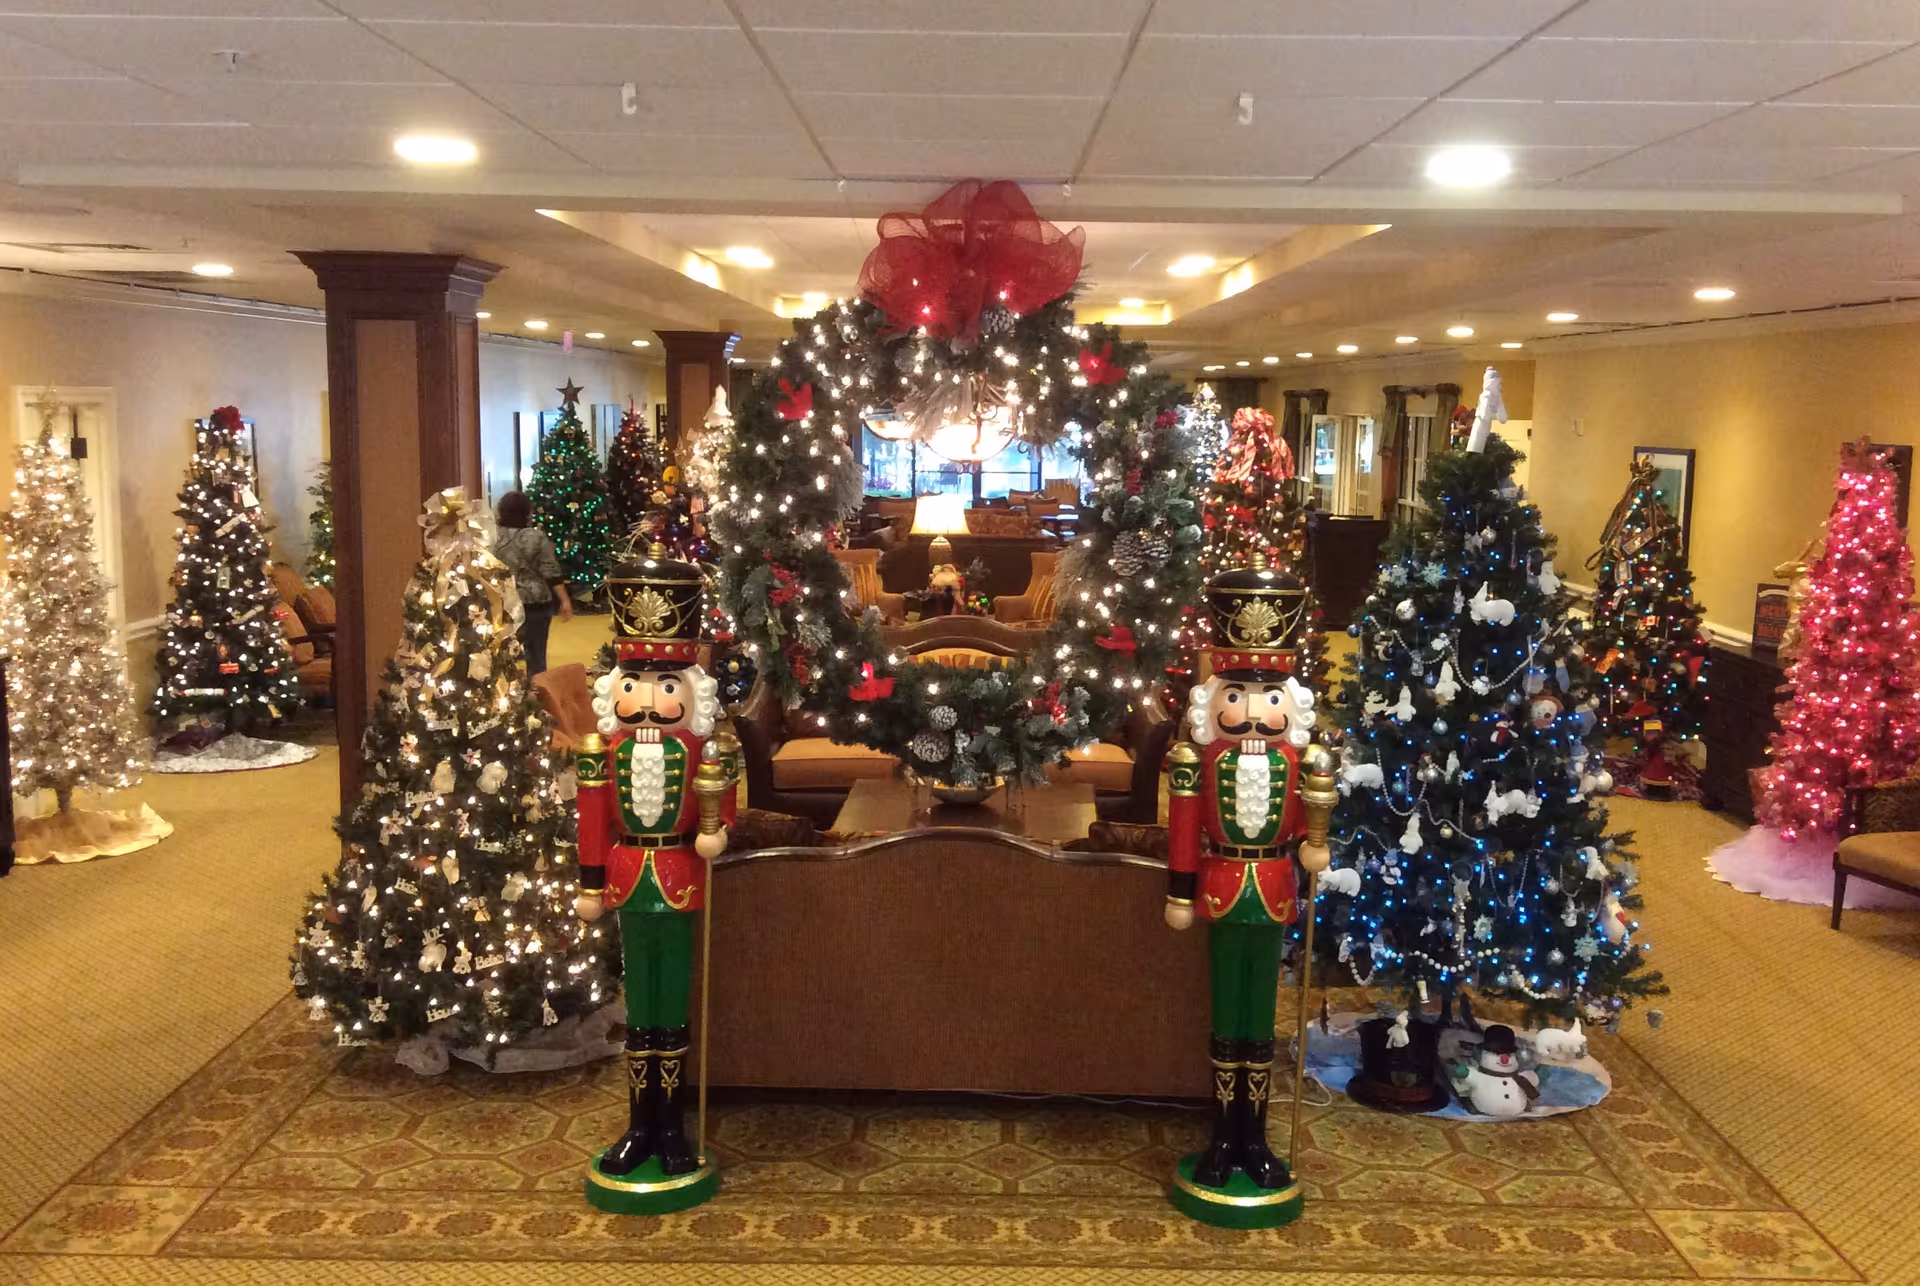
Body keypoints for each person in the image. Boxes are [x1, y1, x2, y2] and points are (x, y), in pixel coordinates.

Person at [493, 490, 571, 674]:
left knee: (502, 654)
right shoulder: (536, 537)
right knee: (536, 656)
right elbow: (549, 570)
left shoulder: (493, 537)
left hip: (503, 601)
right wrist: (564, 599)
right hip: (535, 603)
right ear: (527, 513)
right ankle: (535, 696)